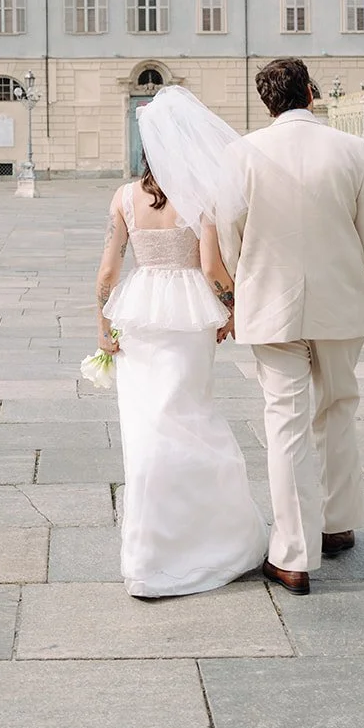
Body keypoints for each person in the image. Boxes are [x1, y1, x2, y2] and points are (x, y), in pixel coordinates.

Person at [217, 56, 364, 595]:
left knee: (285, 421)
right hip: (343, 301)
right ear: (312, 95)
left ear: (267, 103)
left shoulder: (241, 153)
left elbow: (230, 230)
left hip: (269, 303)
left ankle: (294, 554)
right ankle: (338, 522)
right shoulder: (352, 150)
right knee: (339, 404)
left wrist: (233, 291)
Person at [93, 92, 268, 599]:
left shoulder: (125, 198)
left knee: (146, 426)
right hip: (190, 312)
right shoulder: (202, 196)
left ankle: (148, 557)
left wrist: (102, 324)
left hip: (140, 308)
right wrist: (231, 308)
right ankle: (212, 538)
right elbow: (213, 269)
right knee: (193, 416)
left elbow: (108, 270)